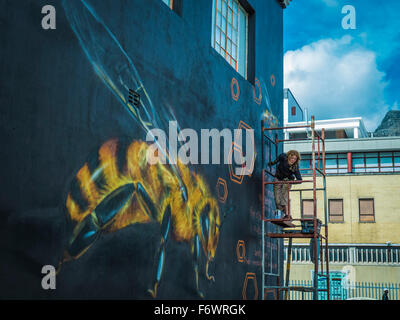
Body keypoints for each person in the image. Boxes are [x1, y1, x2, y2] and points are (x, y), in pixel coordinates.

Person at [268, 150, 302, 220]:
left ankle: (287, 215)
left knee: (284, 196)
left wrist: (290, 182)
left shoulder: (295, 166)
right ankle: (286, 213)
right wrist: (273, 163)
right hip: (278, 179)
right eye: (292, 158)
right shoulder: (283, 157)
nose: (293, 160)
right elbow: (279, 156)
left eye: (295, 159)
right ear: (288, 157)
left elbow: (300, 179)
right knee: (277, 201)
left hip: (287, 181)